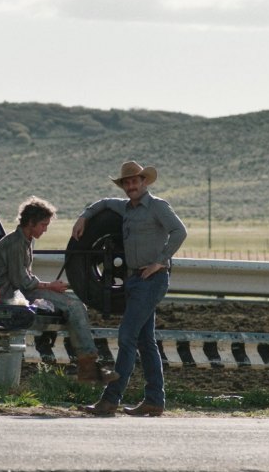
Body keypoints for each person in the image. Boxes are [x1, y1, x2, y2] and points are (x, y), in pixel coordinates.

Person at [72, 161, 187, 417]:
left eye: (135, 181)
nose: (131, 186)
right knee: (146, 342)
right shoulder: (125, 208)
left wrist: (161, 260)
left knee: (126, 337)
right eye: (127, 182)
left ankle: (110, 399)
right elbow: (102, 203)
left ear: (144, 182)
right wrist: (84, 216)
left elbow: (179, 231)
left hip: (152, 280)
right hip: (134, 281)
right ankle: (154, 400)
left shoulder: (158, 206)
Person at [0, 196, 119, 385]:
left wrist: (49, 287)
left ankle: (86, 363)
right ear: (31, 222)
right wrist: (50, 286)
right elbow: (22, 282)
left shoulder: (24, 241)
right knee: (74, 306)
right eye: (43, 224)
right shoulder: (15, 243)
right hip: (10, 296)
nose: (45, 229)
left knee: (73, 304)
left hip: (19, 292)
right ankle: (88, 367)